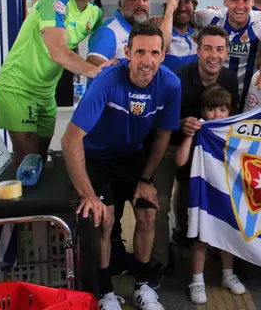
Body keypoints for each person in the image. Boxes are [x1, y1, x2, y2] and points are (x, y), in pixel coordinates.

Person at [62, 24, 181, 310]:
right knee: (105, 219)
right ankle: (105, 293)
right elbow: (70, 140)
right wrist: (88, 194)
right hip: (97, 159)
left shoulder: (170, 84)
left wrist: (146, 178)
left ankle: (143, 285)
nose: (147, 60)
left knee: (147, 214)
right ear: (127, 52)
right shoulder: (107, 80)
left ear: (163, 55)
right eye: (140, 52)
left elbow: (163, 136)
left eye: (154, 52)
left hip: (132, 158)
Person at [0, 0, 112, 169]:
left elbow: (101, 48)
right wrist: (94, 71)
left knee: (39, 157)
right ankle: (14, 202)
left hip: (46, 93)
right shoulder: (54, 1)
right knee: (28, 158)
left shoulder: (94, 13)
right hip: (17, 87)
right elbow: (58, 52)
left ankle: (30, 202)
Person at [149, 25, 240, 274]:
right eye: (208, 48)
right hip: (172, 143)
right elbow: (156, 120)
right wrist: (180, 124)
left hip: (209, 151)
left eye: (220, 49)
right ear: (198, 51)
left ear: (227, 52)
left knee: (217, 197)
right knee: (158, 203)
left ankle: (199, 239)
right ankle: (158, 263)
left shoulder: (230, 79)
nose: (214, 55)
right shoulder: (176, 79)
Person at [175, 85, 246, 305]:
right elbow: (180, 161)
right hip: (202, 194)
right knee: (201, 239)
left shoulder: (233, 131)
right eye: (212, 109)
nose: (217, 114)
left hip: (226, 192)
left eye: (222, 110)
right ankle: (197, 281)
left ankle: (227, 274)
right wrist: (190, 135)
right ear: (203, 112)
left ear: (230, 112)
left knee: (227, 236)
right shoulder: (200, 131)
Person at [194, 0, 261, 107]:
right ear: (225, 1)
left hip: (246, 99)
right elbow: (185, 16)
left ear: (252, 1)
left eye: (246, 0)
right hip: (213, 101)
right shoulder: (211, 17)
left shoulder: (260, 22)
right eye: (234, 0)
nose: (241, 6)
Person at [88, 0, 156, 66]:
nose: (141, 3)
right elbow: (93, 64)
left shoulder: (147, 30)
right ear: (120, 5)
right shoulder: (108, 31)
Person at [154, 0, 199, 73]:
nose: (182, 8)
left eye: (186, 2)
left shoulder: (199, 31)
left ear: (193, 5)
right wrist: (170, 9)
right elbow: (161, 48)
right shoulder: (159, 32)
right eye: (176, 2)